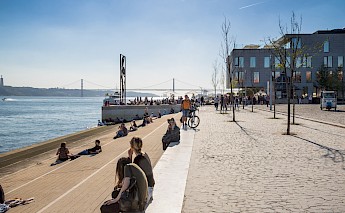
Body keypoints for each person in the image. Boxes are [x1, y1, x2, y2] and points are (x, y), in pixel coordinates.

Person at [128, 137, 155, 204]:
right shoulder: (144, 154)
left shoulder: (137, 159)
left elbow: (129, 174)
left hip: (146, 193)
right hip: (151, 186)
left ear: (132, 147)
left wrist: (130, 157)